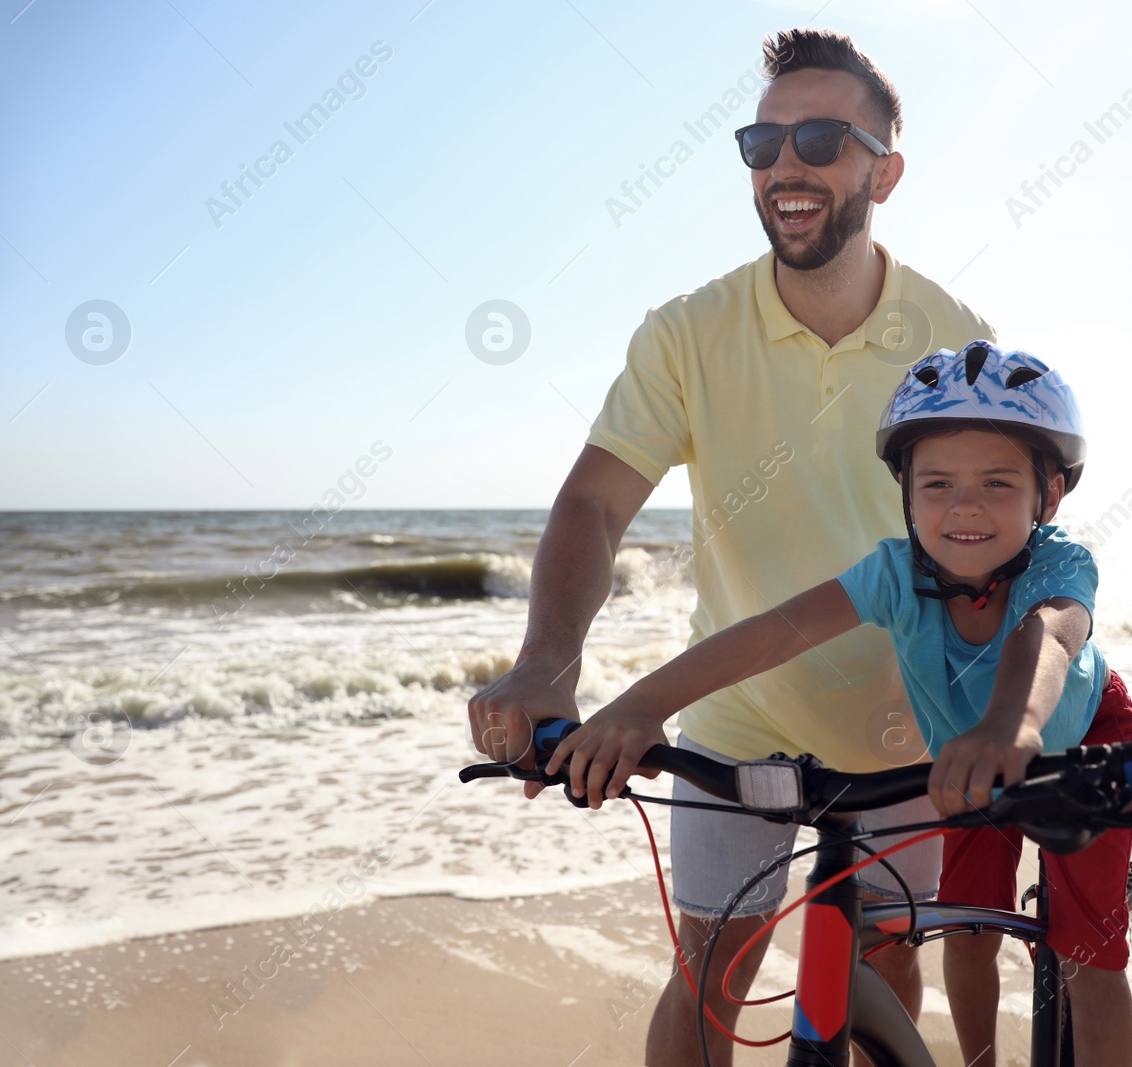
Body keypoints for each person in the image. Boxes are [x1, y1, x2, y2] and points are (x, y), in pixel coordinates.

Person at [467, 27, 1012, 1067]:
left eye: (818, 138)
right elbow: (593, 501)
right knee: (707, 977)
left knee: (886, 964)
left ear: (883, 172)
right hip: (736, 716)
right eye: (760, 144)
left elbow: (996, 533)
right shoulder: (685, 331)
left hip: (909, 724)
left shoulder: (951, 337)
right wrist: (548, 662)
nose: (784, 167)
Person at [548, 341, 1132, 1067]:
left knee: (1085, 950)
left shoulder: (1060, 564)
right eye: (937, 484)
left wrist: (1012, 725)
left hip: (1077, 739)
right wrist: (642, 704)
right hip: (971, 750)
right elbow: (776, 632)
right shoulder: (896, 573)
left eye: (996, 482)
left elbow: (1047, 634)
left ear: (1047, 495)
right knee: (964, 934)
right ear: (904, 491)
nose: (964, 505)